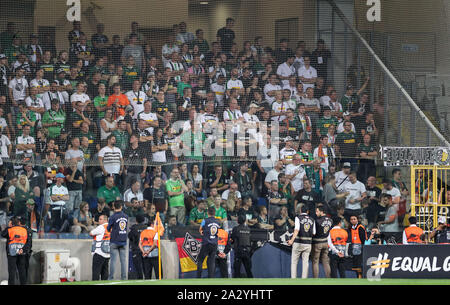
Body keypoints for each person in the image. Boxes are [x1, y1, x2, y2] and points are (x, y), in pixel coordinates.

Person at [288, 204, 315, 279]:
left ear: (300, 210)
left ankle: (293, 279)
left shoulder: (298, 218)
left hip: (298, 242)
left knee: (294, 262)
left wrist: (291, 240)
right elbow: (314, 232)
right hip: (308, 243)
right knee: (305, 262)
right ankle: (304, 279)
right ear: (308, 211)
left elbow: (296, 229)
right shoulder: (312, 219)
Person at [1, 216, 29, 285]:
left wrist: (8, 227)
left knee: (12, 271)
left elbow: (3, 234)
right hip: (21, 252)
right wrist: (23, 250)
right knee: (22, 271)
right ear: (19, 223)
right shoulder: (24, 230)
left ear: (11, 223)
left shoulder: (10, 230)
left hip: (12, 253)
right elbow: (27, 241)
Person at [226, 214, 253, 278]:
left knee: (237, 270)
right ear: (244, 221)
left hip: (239, 251)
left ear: (238, 221)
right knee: (248, 270)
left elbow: (232, 239)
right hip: (247, 251)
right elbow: (250, 240)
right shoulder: (248, 229)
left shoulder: (236, 229)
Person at [196, 207, 221, 278]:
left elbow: (200, 230)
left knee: (200, 260)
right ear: (214, 213)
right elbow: (219, 231)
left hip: (206, 242)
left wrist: (203, 233)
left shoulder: (205, 220)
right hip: (214, 243)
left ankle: (198, 277)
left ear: (207, 213)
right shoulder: (218, 221)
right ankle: (211, 277)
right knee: (211, 261)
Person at [107, 200, 129, 280]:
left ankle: (111, 277)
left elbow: (108, 228)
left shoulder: (113, 217)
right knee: (123, 261)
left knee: (113, 261)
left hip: (114, 240)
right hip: (123, 240)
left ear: (113, 207)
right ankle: (124, 277)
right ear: (121, 207)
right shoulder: (126, 216)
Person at [312, 206, 332, 278]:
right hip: (325, 242)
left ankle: (315, 279)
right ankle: (328, 278)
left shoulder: (317, 221)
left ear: (322, 211)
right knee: (326, 261)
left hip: (317, 242)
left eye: (317, 211)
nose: (316, 213)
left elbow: (313, 233)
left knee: (315, 261)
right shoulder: (330, 220)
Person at [89, 214, 110, 281]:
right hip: (108, 252)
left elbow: (91, 233)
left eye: (100, 219)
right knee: (105, 271)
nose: (99, 221)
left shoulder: (101, 227)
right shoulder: (111, 227)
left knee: (96, 271)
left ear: (105, 220)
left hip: (99, 252)